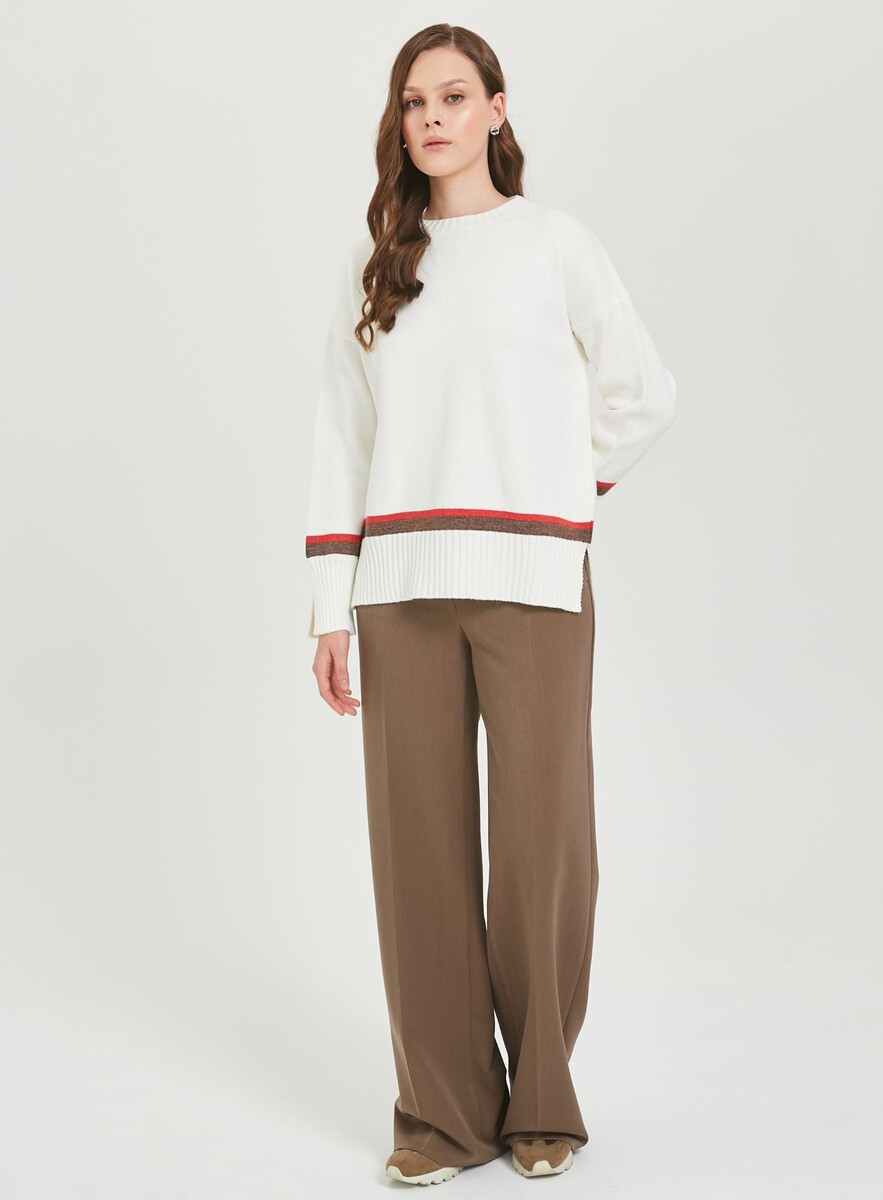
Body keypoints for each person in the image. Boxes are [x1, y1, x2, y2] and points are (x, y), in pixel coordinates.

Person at [305, 23, 677, 1187]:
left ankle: (541, 1104)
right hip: (399, 588)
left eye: (455, 96)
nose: (432, 118)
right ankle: (443, 1114)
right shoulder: (378, 263)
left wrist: (564, 495)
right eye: (414, 101)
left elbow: (644, 393)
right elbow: (341, 442)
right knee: (416, 853)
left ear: (497, 110)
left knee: (540, 847)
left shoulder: (555, 245)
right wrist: (329, 607)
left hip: (534, 584)